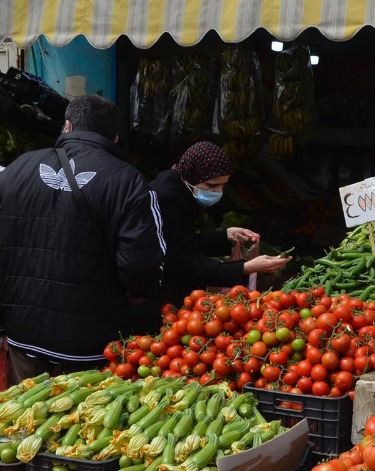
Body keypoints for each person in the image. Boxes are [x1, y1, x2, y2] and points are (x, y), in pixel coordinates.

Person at [0, 95, 166, 383]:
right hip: (89, 345)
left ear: (67, 126)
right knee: (82, 422)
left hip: (23, 333)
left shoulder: (18, 169)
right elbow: (142, 269)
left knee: (25, 422)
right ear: (115, 138)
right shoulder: (128, 182)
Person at [143, 141, 291, 327]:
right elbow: (186, 262)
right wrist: (246, 267)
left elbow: (183, 242)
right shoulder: (167, 202)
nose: (218, 192)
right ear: (190, 178)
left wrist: (225, 236)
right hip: (160, 298)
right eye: (212, 185)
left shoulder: (179, 190)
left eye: (223, 186)